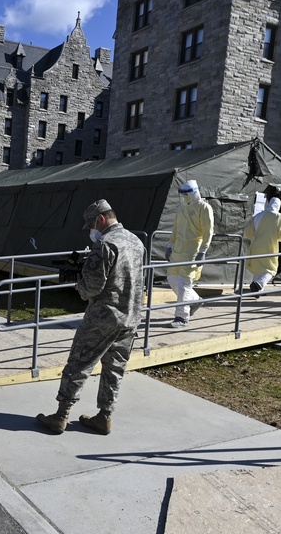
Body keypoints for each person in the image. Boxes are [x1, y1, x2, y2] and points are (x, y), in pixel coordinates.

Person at [36, 199, 145, 436]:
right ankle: (104, 417)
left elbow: (93, 287)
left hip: (103, 318)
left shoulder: (105, 244)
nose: (91, 231)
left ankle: (61, 415)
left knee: (79, 364)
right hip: (130, 316)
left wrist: (80, 286)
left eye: (91, 226)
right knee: (114, 368)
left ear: (100, 219)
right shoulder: (136, 241)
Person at [165, 179, 214, 328]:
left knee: (184, 284)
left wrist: (203, 251)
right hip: (178, 250)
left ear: (194, 193)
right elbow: (175, 229)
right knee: (172, 279)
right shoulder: (181, 209)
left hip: (193, 251)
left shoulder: (204, 208)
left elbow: (208, 231)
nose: (184, 197)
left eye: (187, 194)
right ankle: (195, 300)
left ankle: (182, 317)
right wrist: (169, 245)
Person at [243, 197, 281, 294]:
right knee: (271, 269)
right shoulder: (279, 217)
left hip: (255, 245)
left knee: (257, 269)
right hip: (270, 246)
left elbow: (248, 233)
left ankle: (257, 291)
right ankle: (259, 284)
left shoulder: (258, 215)